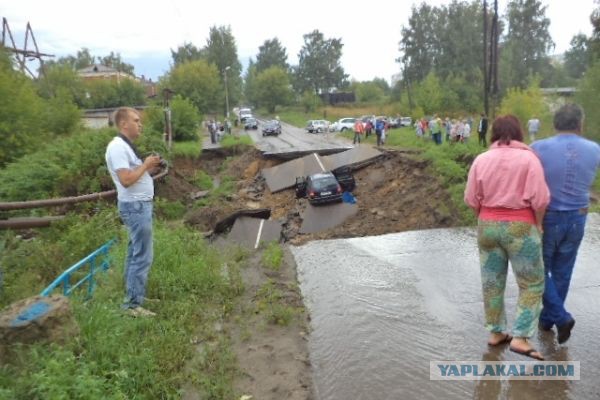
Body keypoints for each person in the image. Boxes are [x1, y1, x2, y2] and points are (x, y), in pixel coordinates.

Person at [464, 115, 550, 360]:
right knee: (532, 283)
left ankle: (496, 333)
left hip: (487, 225)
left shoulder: (481, 159)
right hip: (521, 226)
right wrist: (539, 224)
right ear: (519, 133)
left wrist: (484, 218)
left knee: (492, 281)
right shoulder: (529, 159)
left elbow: (471, 199)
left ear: (493, 134)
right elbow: (541, 199)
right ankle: (521, 338)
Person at [530, 104, 600, 344]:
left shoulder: (538, 148)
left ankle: (559, 317)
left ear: (554, 124)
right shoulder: (594, 149)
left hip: (548, 217)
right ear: (580, 124)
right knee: (563, 271)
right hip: (579, 217)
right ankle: (547, 320)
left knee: (538, 270)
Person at [105, 107, 162, 317]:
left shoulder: (126, 147)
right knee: (142, 256)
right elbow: (127, 180)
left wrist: (150, 167)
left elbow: (134, 174)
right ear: (123, 124)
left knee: (134, 252)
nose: (140, 124)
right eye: (136, 121)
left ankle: (134, 295)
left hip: (138, 206)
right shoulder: (117, 147)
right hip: (135, 207)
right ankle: (132, 305)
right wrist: (145, 164)